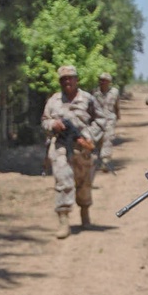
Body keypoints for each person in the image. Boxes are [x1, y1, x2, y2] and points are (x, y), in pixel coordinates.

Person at [41, 65, 106, 239]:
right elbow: (44, 121)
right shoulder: (53, 101)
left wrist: (88, 136)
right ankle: (64, 221)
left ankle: (85, 213)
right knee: (63, 180)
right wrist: (53, 125)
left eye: (70, 78)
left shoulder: (88, 99)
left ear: (76, 80)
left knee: (84, 183)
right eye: (63, 79)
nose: (67, 82)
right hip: (61, 146)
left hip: (83, 149)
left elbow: (100, 120)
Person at [92, 71, 121, 172]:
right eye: (101, 80)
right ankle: (100, 160)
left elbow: (117, 105)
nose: (102, 82)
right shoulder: (95, 93)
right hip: (98, 120)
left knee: (107, 139)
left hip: (110, 119)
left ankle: (105, 161)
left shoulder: (114, 92)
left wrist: (118, 116)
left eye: (105, 80)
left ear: (109, 82)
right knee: (99, 140)